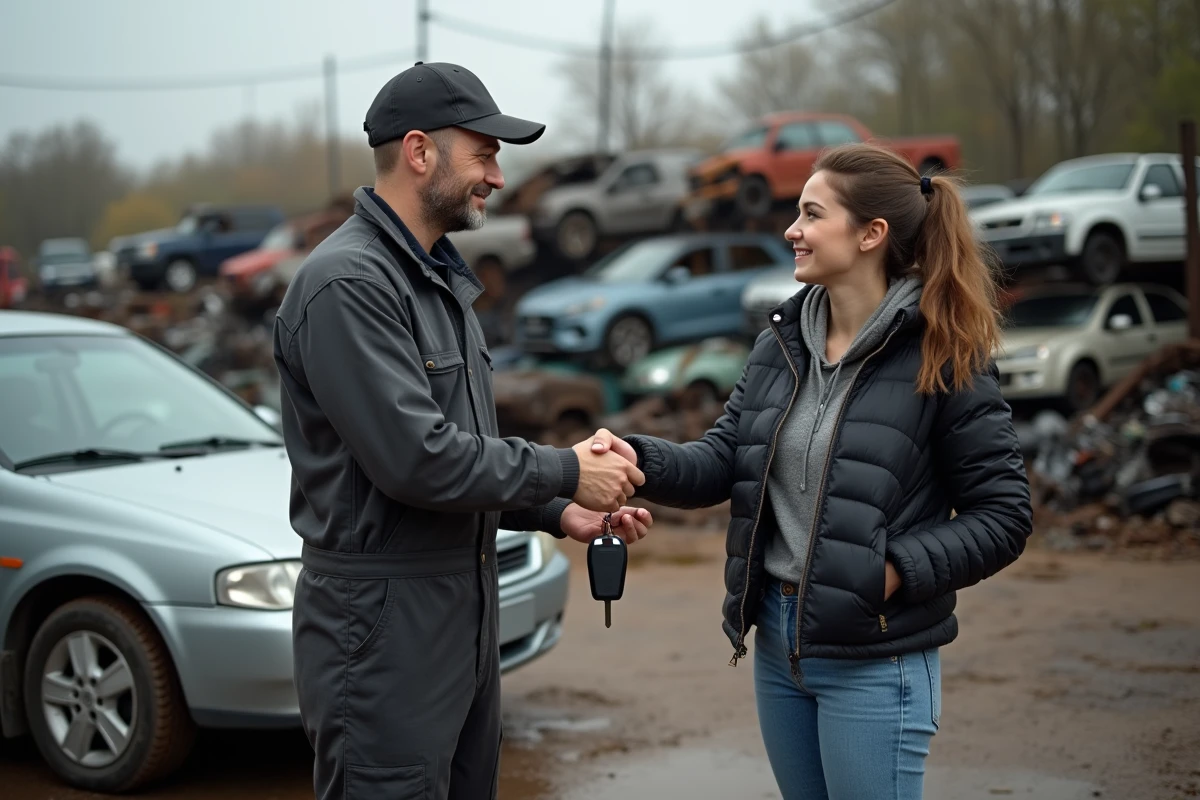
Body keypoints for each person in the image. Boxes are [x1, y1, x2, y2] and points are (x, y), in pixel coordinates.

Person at [591, 143, 1033, 799]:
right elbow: (721, 464)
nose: (791, 231)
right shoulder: (782, 343)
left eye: (811, 214)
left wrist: (891, 571)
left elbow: (1004, 516)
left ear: (870, 234)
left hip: (876, 657)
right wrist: (636, 458)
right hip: (777, 645)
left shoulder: (943, 353)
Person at [272, 62, 652, 800]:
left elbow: (460, 456)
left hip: (459, 616)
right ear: (420, 152)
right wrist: (568, 471)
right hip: (383, 634)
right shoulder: (350, 285)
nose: (499, 177)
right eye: (484, 153)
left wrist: (554, 510)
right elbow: (418, 462)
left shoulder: (436, 282)